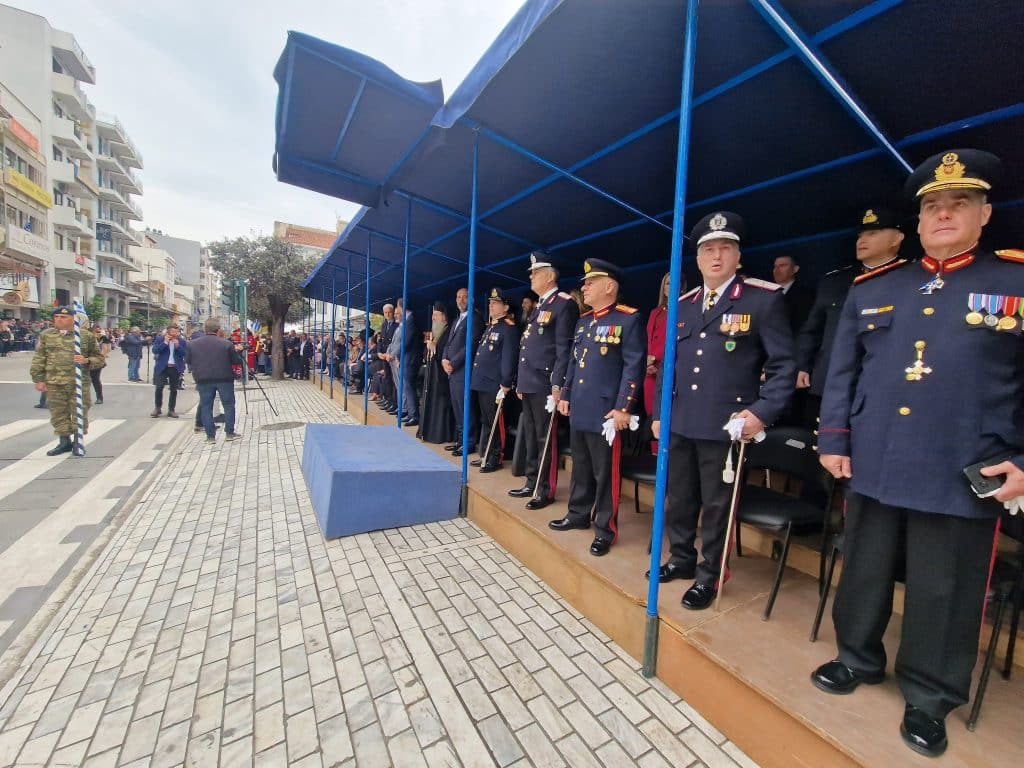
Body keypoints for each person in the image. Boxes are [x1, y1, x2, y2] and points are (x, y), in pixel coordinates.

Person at [811, 149, 1024, 758]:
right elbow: (843, 373)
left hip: (965, 468)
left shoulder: (1013, 281)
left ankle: (929, 697)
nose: (945, 213)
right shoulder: (878, 285)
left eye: (959, 203)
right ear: (918, 218)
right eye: (933, 205)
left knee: (944, 588)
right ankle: (856, 657)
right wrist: (833, 440)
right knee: (865, 569)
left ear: (985, 213)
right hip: (876, 458)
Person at [651, 211, 795, 608]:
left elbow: (784, 365)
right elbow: (669, 365)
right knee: (679, 498)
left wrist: (761, 412)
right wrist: (659, 413)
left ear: (738, 257)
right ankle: (681, 558)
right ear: (697, 259)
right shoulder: (683, 304)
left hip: (726, 425)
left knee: (717, 506)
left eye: (725, 249)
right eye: (709, 250)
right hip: (680, 419)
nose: (716, 257)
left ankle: (710, 576)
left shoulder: (761, 300)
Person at [549, 260, 645, 556]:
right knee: (581, 466)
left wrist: (623, 408)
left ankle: (605, 529)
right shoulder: (583, 322)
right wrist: (565, 394)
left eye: (591, 282)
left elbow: (633, 367)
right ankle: (578, 514)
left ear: (610, 286)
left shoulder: (628, 319)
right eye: (584, 283)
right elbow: (575, 364)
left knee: (606, 473)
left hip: (606, 413)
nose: (584, 287)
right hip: (580, 406)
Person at [795, 208, 905, 426]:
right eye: (860, 235)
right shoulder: (835, 282)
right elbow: (812, 330)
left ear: (897, 238)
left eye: (873, 234)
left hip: (882, 387)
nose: (862, 240)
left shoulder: (909, 281)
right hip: (827, 384)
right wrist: (802, 365)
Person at [510, 252, 580, 509]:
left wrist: (557, 385)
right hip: (529, 381)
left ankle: (545, 488)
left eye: (536, 272)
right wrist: (520, 381)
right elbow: (528, 346)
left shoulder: (563, 304)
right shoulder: (539, 305)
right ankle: (531, 480)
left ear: (550, 276)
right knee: (530, 433)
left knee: (545, 437)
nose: (531, 276)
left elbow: (564, 349)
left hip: (546, 383)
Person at [30, 306, 106, 456]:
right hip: (54, 381)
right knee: (58, 413)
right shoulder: (47, 335)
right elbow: (39, 358)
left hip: (78, 382)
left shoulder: (84, 336)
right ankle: (64, 442)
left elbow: (100, 359)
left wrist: (86, 360)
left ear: (73, 319)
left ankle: (78, 442)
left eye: (63, 317)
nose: (59, 319)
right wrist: (38, 379)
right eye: (57, 317)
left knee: (79, 412)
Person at [470, 289, 521, 472]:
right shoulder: (491, 326)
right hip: (482, 382)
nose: (490, 305)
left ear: (506, 307)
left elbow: (509, 358)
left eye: (495, 303)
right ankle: (485, 453)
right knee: (486, 420)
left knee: (495, 422)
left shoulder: (508, 328)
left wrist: (506, 382)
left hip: (494, 384)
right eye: (490, 302)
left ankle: (495, 457)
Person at [186, 318, 243, 444]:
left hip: (203, 379)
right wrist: (239, 351)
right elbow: (236, 361)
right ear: (218, 330)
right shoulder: (226, 344)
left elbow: (188, 361)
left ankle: (210, 436)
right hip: (224, 379)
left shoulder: (192, 344)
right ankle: (229, 433)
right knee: (228, 405)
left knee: (206, 406)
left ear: (205, 329)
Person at [644, 272, 682, 454]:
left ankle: (666, 459)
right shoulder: (655, 312)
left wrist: (658, 364)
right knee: (653, 416)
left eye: (675, 283)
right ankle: (654, 456)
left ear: (682, 287)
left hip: (667, 372)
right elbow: (649, 340)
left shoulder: (683, 309)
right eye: (667, 283)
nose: (670, 286)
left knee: (666, 416)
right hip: (649, 375)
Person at [442, 288, 481, 456]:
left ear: (471, 300)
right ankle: (460, 440)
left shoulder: (475, 318)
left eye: (465, 297)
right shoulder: (457, 319)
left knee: (466, 408)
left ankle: (469, 442)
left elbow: (470, 345)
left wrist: (453, 362)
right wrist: (444, 359)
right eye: (458, 297)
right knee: (457, 407)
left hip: (463, 370)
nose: (461, 300)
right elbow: (448, 343)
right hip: (452, 371)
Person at [417, 302, 456, 444]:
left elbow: (447, 353)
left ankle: (439, 434)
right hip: (432, 374)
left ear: (444, 317)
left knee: (440, 406)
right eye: (433, 315)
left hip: (441, 376)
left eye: (436, 315)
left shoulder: (448, 331)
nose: (433, 318)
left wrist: (434, 348)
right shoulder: (436, 331)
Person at [773, 255, 815, 334]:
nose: (777, 270)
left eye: (782, 266)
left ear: (795, 269)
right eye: (775, 266)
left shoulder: (806, 296)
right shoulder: (768, 294)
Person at [151, 325, 187, 418]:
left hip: (175, 367)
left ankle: (171, 410)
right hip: (162, 366)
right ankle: (157, 408)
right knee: (159, 387)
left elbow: (185, 353)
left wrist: (177, 346)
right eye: (173, 332)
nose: (175, 334)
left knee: (173, 389)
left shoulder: (181, 341)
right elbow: (155, 350)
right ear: (168, 332)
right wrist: (165, 343)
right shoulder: (160, 339)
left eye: (177, 332)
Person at [89, 325, 110, 404]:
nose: (98, 333)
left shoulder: (102, 338)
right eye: (96, 331)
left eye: (99, 331)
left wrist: (102, 357)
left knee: (95, 380)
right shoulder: (87, 338)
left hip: (97, 362)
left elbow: (106, 348)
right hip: (86, 361)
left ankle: (99, 397)